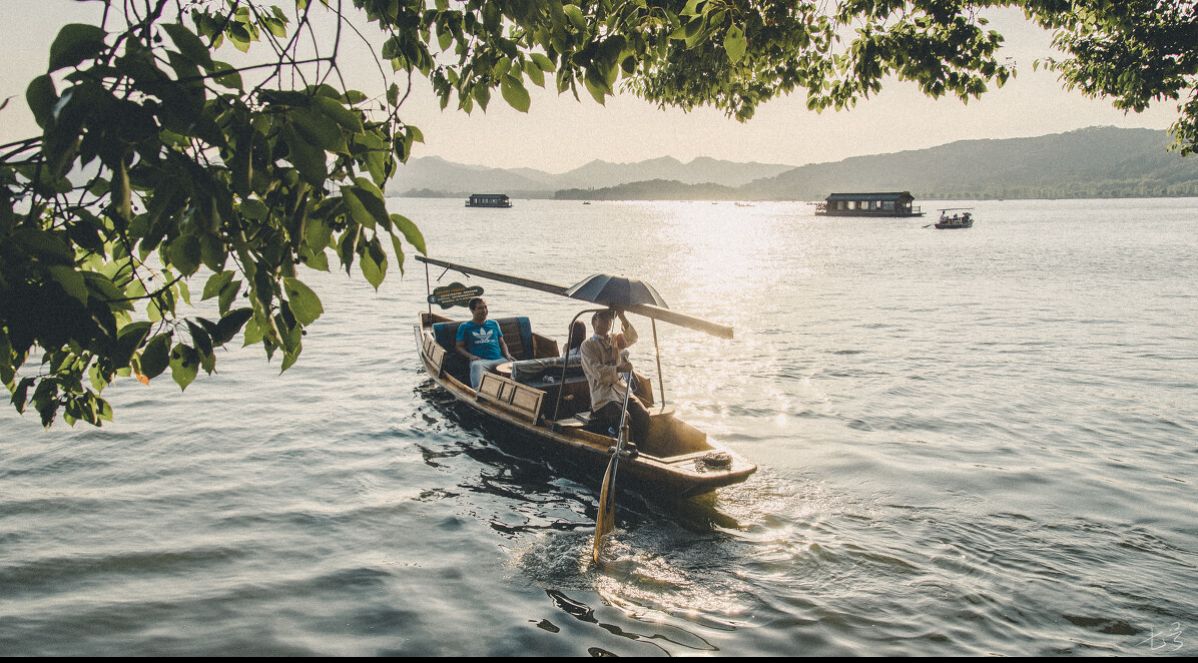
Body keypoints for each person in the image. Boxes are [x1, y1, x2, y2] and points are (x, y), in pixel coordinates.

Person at [579, 309, 650, 445]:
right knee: (624, 419)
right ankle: (625, 450)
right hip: (603, 397)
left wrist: (622, 316)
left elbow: (633, 337)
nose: (607, 321)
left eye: (609, 318)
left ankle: (640, 449)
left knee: (643, 415)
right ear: (595, 321)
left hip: (621, 392)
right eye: (603, 318)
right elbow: (598, 372)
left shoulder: (615, 339)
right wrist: (619, 368)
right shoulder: (587, 346)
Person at [455, 297, 514, 389]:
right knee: (475, 366)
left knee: (515, 366)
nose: (484, 310)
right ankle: (477, 392)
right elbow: (459, 347)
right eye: (480, 308)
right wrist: (471, 356)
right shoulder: (465, 326)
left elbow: (502, 342)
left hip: (499, 359)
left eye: (485, 307)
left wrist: (507, 354)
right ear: (472, 310)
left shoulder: (494, 323)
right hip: (481, 361)